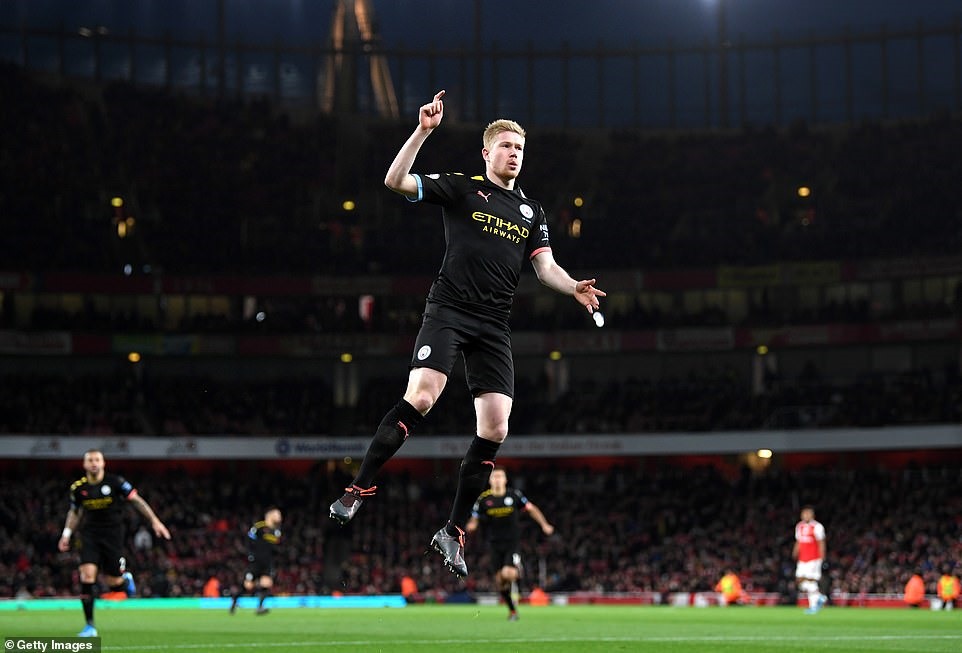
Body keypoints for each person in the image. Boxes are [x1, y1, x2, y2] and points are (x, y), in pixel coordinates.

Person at [328, 90, 604, 579]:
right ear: (486, 152)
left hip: (493, 325)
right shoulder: (461, 188)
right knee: (423, 395)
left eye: (520, 147)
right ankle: (358, 488)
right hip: (450, 309)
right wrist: (423, 132)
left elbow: (546, 268)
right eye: (506, 146)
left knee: (496, 428)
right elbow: (394, 181)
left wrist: (574, 287)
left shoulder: (532, 213)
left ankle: (452, 531)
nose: (514, 153)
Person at [58, 449, 171, 637]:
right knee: (87, 577)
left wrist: (155, 521)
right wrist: (66, 534)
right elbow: (75, 512)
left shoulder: (116, 482)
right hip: (90, 536)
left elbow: (137, 501)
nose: (94, 463)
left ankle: (124, 579)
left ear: (103, 463)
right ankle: (90, 626)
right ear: (85, 465)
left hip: (113, 536)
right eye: (90, 460)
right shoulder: (78, 488)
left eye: (97, 460)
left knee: (114, 584)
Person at [465, 466, 554, 620]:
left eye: (500, 476)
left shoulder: (514, 495)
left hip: (512, 543)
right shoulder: (484, 499)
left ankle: (519, 570)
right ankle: (512, 611)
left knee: (508, 573)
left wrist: (544, 524)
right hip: (494, 545)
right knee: (500, 582)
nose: (497, 479)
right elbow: (474, 517)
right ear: (490, 480)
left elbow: (531, 509)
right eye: (495, 477)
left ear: (505, 480)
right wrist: (472, 525)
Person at [229, 507, 283, 615]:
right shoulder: (259, 526)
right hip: (256, 561)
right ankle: (234, 601)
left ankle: (260, 607)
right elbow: (249, 540)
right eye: (277, 514)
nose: (280, 517)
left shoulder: (276, 531)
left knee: (267, 583)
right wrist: (250, 555)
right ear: (270, 515)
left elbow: (275, 547)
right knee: (248, 585)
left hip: (267, 562)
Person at [792, 504, 827, 614]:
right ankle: (820, 597)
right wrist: (795, 552)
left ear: (812, 515)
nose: (805, 515)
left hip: (814, 558)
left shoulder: (817, 527)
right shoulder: (799, 526)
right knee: (799, 580)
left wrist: (822, 557)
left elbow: (821, 542)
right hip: (802, 558)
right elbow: (798, 541)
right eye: (804, 513)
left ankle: (813, 606)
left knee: (811, 579)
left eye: (808, 513)